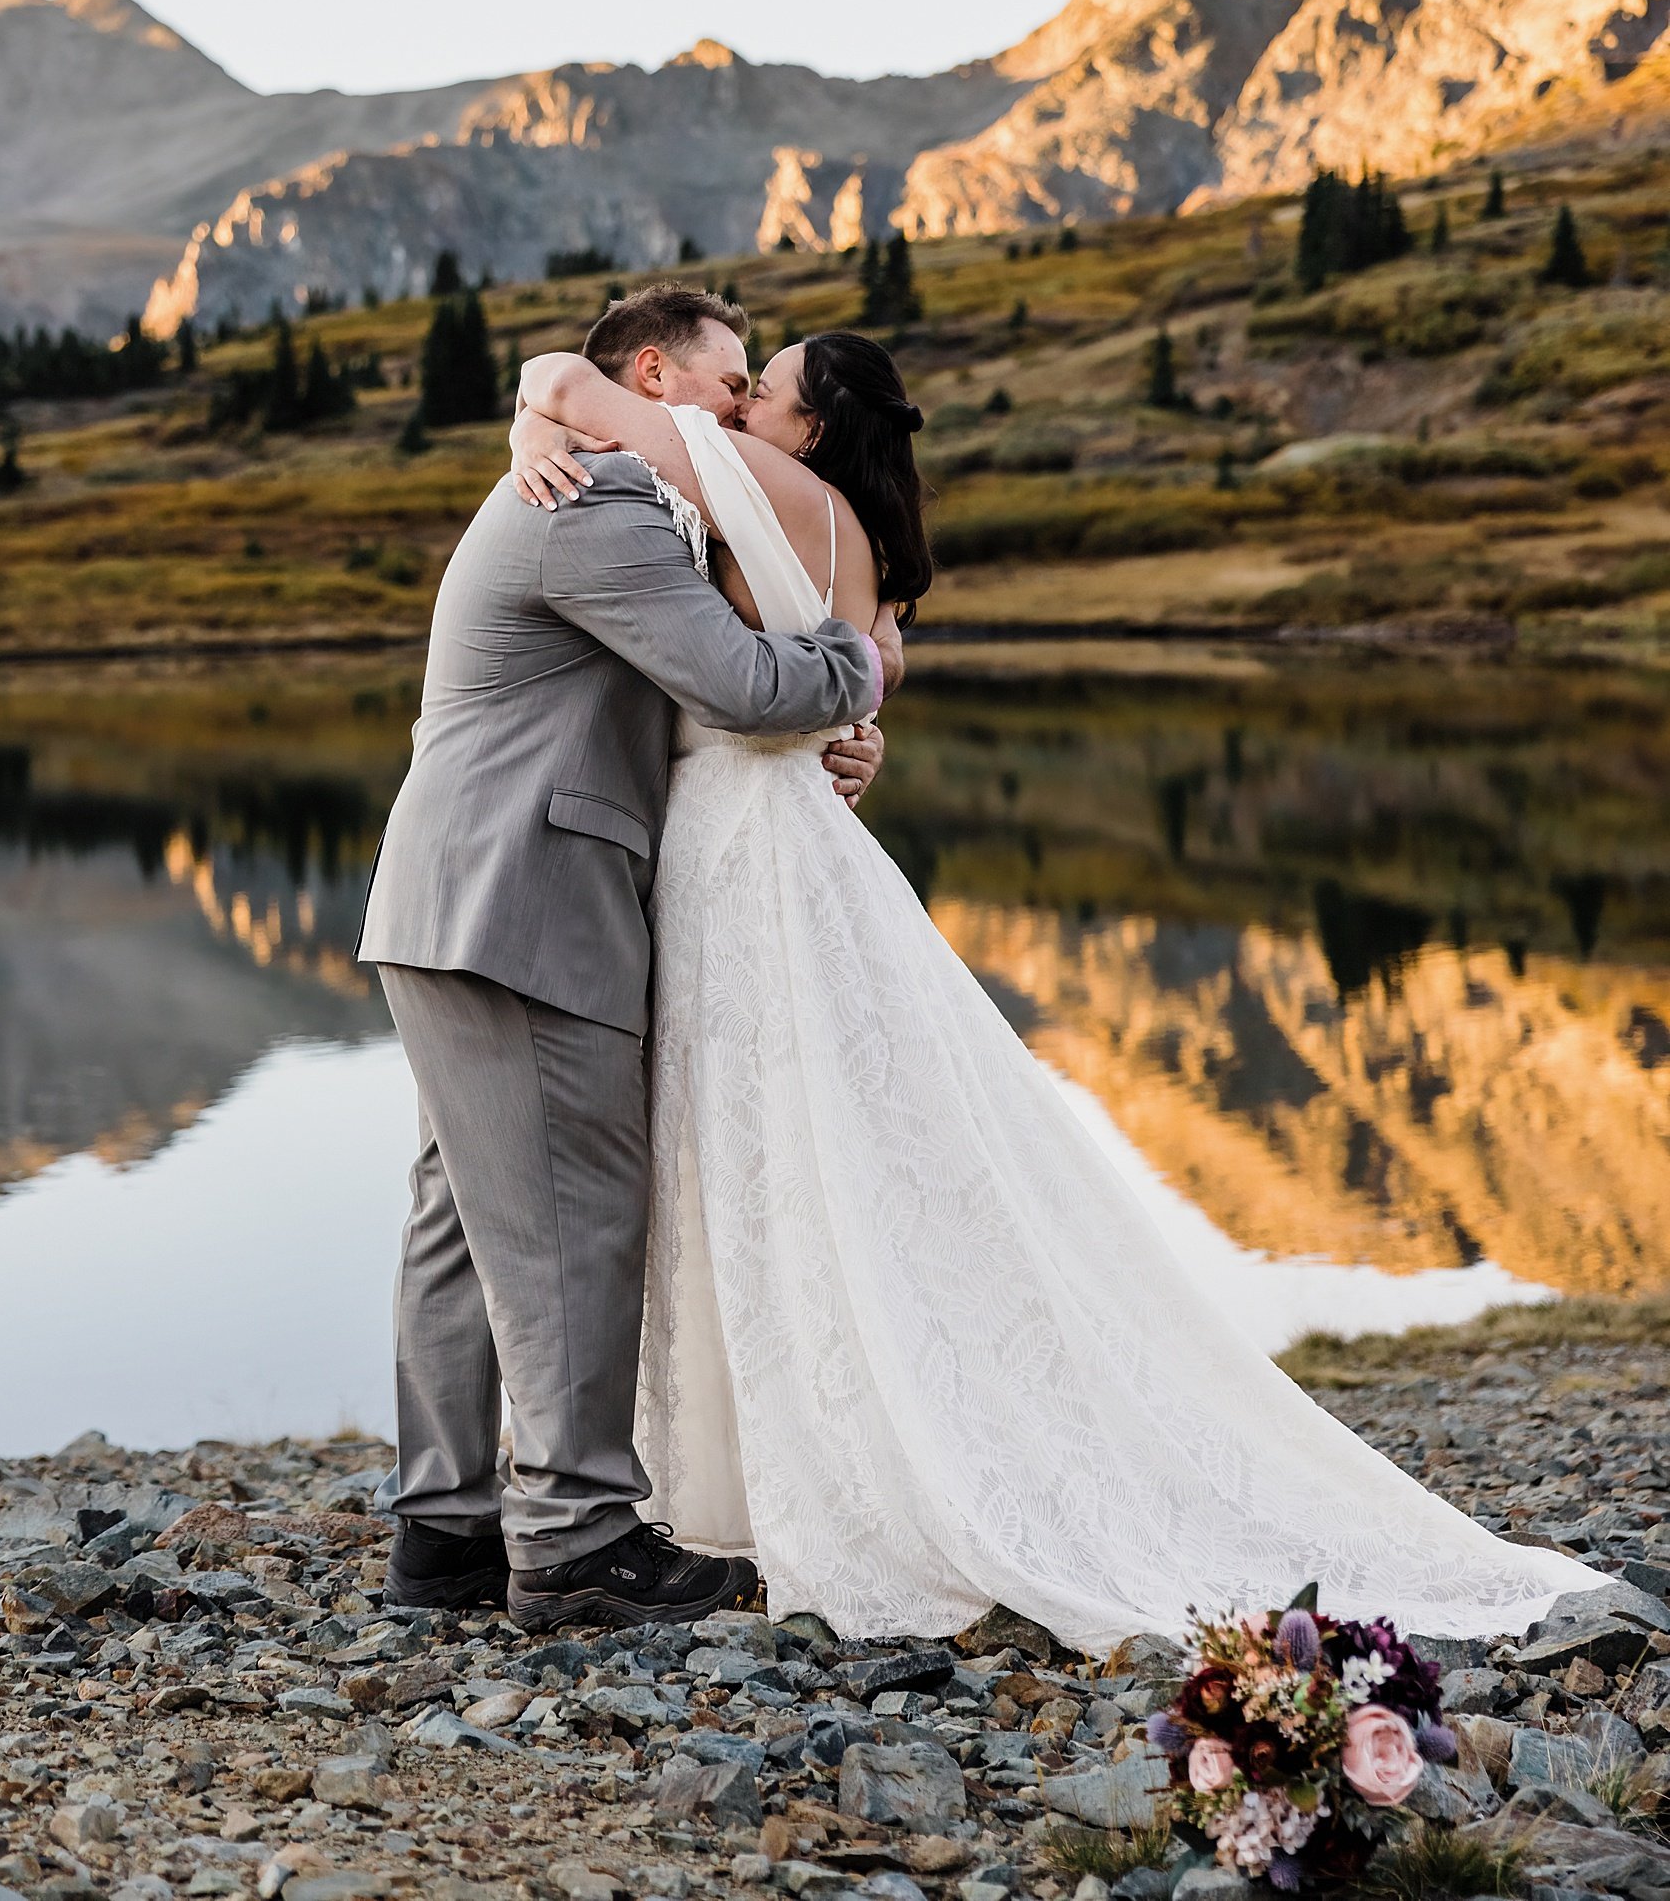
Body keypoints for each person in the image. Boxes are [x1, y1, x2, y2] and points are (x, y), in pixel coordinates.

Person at [511, 325, 1609, 1645]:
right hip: (795, 835)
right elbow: (864, 672)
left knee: (749, 1145)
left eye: (768, 388)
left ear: (807, 427)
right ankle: (809, 1441)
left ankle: (786, 1472)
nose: (741, 402)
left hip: (733, 850)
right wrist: (851, 728)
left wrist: (535, 428)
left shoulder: (747, 475)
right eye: (739, 383)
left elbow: (566, 385)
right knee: (817, 1144)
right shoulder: (854, 525)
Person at [357, 283, 893, 1630]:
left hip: (459, 901)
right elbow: (744, 683)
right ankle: (578, 1534)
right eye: (726, 386)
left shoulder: (593, 483)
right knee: (570, 1212)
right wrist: (863, 663)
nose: (739, 414)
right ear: (652, 374)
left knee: (462, 1222)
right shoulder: (599, 504)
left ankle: (446, 1531)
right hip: (529, 903)